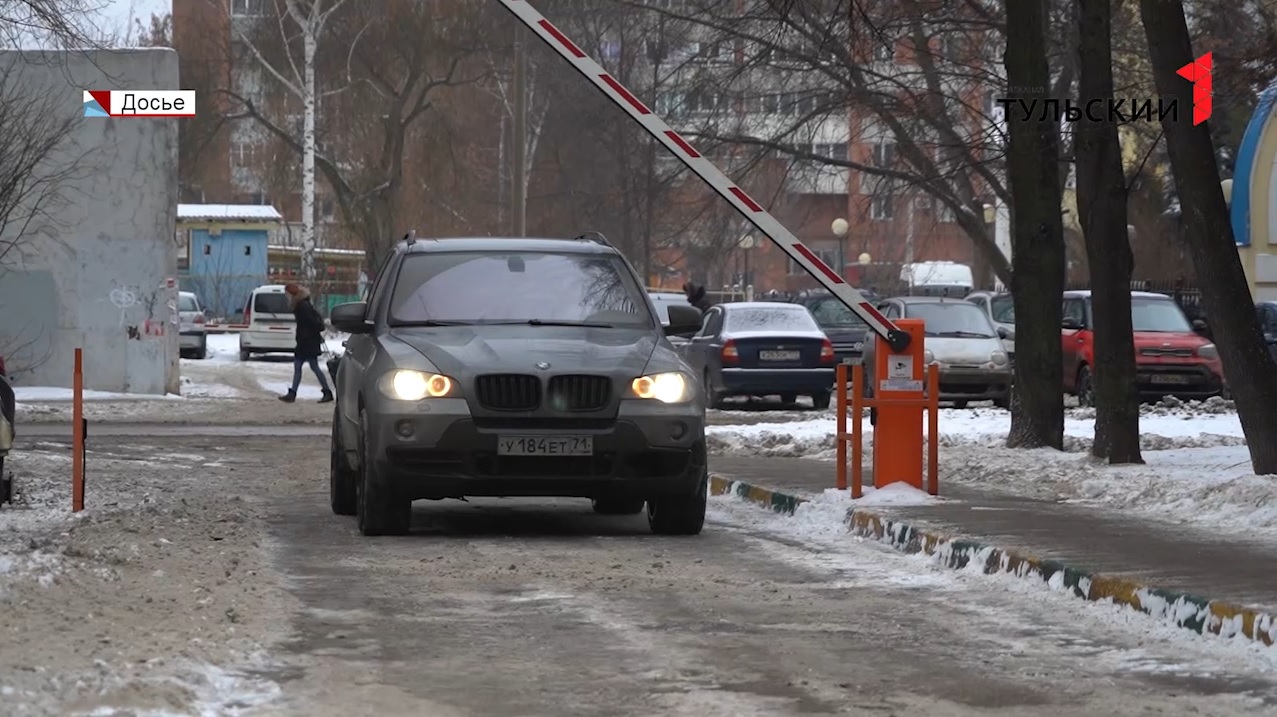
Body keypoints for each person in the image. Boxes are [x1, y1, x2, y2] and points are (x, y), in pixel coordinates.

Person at [280, 283, 334, 404]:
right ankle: (325, 392)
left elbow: (311, 323)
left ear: (292, 294)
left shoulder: (302, 306)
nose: (286, 296)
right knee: (309, 367)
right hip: (307, 341)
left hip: (307, 342)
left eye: (287, 294)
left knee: (303, 366)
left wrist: (306, 335)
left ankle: (295, 393)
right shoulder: (302, 304)